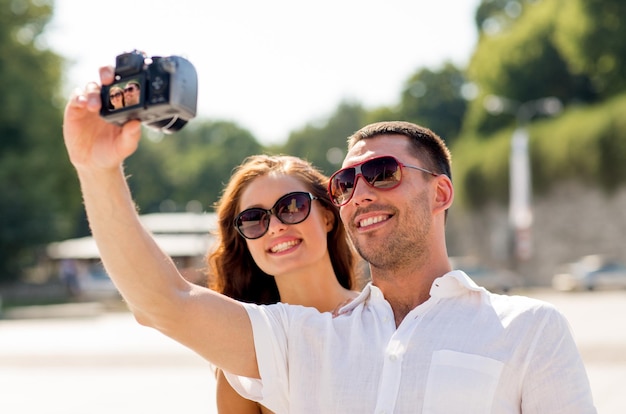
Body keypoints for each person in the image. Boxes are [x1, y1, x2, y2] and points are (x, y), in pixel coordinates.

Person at [63, 66, 596, 413]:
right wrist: (97, 169)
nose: (359, 192)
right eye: (345, 182)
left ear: (440, 193)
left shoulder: (529, 330)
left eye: (382, 172)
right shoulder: (306, 339)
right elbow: (166, 302)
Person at [207, 154, 360, 413]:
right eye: (254, 219)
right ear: (244, 241)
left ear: (327, 217)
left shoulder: (387, 315)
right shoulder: (245, 357)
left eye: (292, 207)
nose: (275, 227)